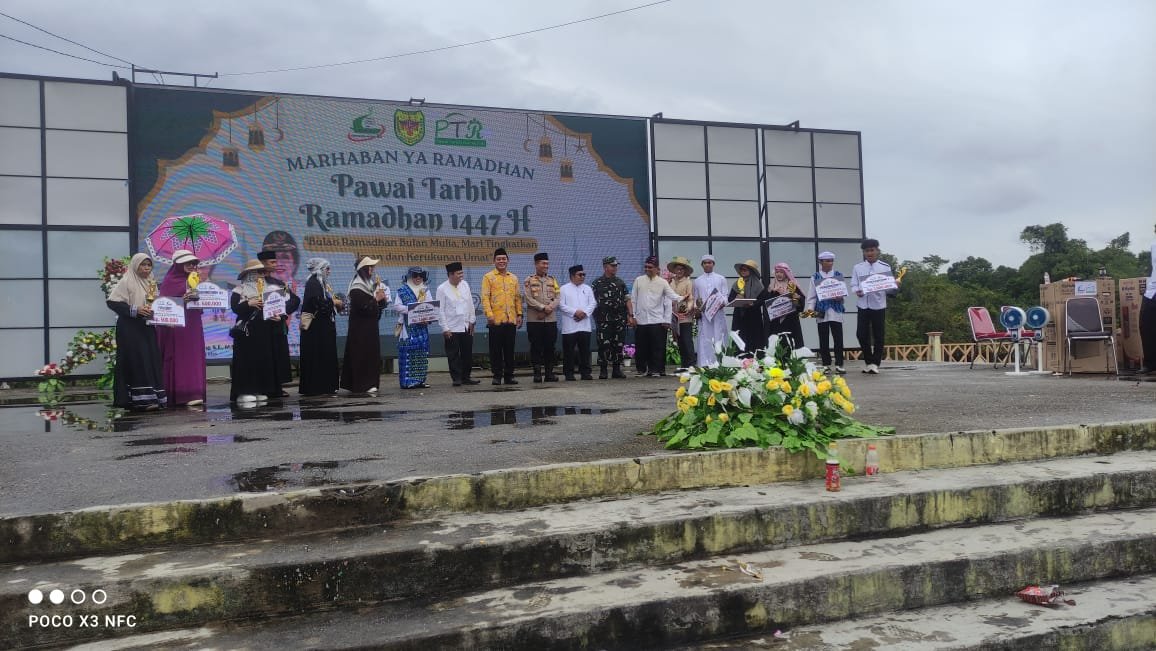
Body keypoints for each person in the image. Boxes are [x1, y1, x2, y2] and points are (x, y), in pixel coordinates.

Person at [106, 253, 167, 410]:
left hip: (147, 327)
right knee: (136, 360)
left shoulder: (151, 283)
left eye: (149, 265)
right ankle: (139, 400)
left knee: (149, 359)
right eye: (143, 265)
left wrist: (166, 317)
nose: (146, 268)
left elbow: (157, 305)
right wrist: (135, 309)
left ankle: (151, 397)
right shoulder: (127, 281)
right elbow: (113, 302)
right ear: (135, 265)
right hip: (129, 328)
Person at [155, 249, 206, 407]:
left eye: (193, 263)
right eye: (187, 263)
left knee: (194, 355)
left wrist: (199, 295)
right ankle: (182, 393)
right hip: (177, 327)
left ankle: (195, 392)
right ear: (177, 264)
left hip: (193, 323)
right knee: (181, 357)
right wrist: (182, 299)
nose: (191, 265)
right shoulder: (170, 281)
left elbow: (201, 305)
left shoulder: (195, 280)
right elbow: (165, 305)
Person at [229, 259, 280, 405]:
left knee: (262, 359)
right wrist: (248, 303)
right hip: (247, 333)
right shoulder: (239, 289)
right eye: (259, 272)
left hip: (264, 331)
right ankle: (244, 391)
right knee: (246, 361)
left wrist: (277, 317)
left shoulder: (269, 290)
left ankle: (259, 389)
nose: (262, 275)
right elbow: (235, 308)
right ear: (250, 273)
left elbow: (276, 308)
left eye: (263, 272)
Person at [851, 238, 900, 374]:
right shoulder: (858, 267)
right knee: (861, 334)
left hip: (879, 305)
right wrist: (857, 291)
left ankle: (875, 363)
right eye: (867, 251)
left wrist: (895, 285)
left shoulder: (885, 267)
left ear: (877, 251)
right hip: (863, 305)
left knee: (879, 335)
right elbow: (853, 284)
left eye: (872, 250)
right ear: (864, 253)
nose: (869, 253)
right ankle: (869, 361)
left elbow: (889, 288)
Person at [341, 256, 388, 394]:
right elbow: (363, 307)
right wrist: (376, 299)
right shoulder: (357, 287)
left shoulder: (369, 285)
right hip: (360, 329)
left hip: (369, 327)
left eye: (373, 267)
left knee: (370, 354)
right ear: (363, 269)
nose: (372, 270)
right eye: (369, 267)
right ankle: (362, 385)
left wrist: (382, 300)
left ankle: (370, 383)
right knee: (361, 354)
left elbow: (376, 307)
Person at [632, 255, 683, 377]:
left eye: (650, 267)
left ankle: (656, 370)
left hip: (657, 320)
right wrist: (633, 316)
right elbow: (633, 299)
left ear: (656, 269)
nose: (647, 269)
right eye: (646, 267)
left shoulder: (662, 282)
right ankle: (642, 370)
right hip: (641, 319)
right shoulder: (639, 280)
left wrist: (684, 298)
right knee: (642, 347)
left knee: (657, 347)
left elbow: (671, 297)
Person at [258, 250, 300, 396]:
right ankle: (264, 386)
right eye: (272, 262)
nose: (276, 264)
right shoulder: (255, 283)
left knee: (278, 355)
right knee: (265, 356)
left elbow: (295, 300)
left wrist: (282, 311)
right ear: (262, 263)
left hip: (277, 325)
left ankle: (277, 386)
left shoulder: (279, 283)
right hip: (262, 327)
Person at [298, 258, 342, 396]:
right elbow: (319, 304)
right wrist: (333, 302)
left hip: (322, 329)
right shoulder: (313, 283)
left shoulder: (320, 283)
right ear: (320, 269)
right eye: (327, 269)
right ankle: (318, 387)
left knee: (323, 356)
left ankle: (325, 386)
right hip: (316, 330)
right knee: (317, 357)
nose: (329, 271)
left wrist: (334, 303)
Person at [481, 248, 522, 385]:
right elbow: (485, 298)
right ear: (494, 261)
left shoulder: (513, 278)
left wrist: (519, 314)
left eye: (504, 259)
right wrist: (489, 315)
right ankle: (497, 376)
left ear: (508, 260)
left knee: (510, 349)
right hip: (495, 321)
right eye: (498, 259)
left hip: (511, 320)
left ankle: (509, 376)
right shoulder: (488, 277)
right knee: (496, 350)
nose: (501, 261)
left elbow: (517, 298)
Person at [437, 261, 479, 386]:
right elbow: (440, 310)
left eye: (462, 273)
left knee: (467, 353)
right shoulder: (442, 288)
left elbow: (470, 303)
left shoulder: (464, 284)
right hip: (451, 327)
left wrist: (472, 321)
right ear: (451, 274)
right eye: (459, 273)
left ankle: (466, 377)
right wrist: (445, 328)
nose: (461, 276)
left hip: (466, 325)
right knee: (453, 354)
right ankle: (456, 378)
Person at [805, 251, 847, 374]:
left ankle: (839, 364)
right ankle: (826, 364)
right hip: (821, 311)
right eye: (827, 261)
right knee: (823, 339)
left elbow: (843, 294)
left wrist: (840, 297)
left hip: (836, 311)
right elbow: (811, 296)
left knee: (838, 339)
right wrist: (810, 310)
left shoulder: (838, 275)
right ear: (820, 262)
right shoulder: (815, 277)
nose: (829, 263)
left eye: (831, 261)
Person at [592, 256, 633, 379]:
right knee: (603, 345)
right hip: (603, 320)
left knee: (618, 344)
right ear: (605, 267)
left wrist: (630, 315)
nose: (615, 268)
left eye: (616, 266)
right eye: (613, 265)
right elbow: (591, 302)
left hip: (619, 319)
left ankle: (616, 369)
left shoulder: (620, 282)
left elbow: (627, 300)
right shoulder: (597, 283)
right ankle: (603, 370)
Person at [394, 267, 433, 389]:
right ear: (410, 277)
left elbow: (431, 305)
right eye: (415, 275)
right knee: (408, 353)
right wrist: (412, 309)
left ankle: (420, 380)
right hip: (408, 327)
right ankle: (407, 382)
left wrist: (428, 317)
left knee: (421, 353)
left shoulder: (425, 290)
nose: (418, 278)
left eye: (421, 276)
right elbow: (397, 306)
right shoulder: (402, 290)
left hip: (422, 327)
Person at [524, 252, 560, 383]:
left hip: (550, 320)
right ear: (536, 264)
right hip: (535, 321)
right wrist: (543, 308)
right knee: (536, 347)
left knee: (550, 347)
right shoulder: (529, 280)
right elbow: (528, 298)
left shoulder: (552, 280)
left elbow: (558, 297)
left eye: (547, 263)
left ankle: (549, 374)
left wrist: (549, 308)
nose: (546, 266)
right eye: (543, 263)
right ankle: (537, 374)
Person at [559, 264, 597, 380]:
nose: (582, 277)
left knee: (585, 350)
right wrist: (575, 312)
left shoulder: (587, 288)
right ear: (572, 276)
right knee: (569, 351)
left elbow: (593, 303)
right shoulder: (564, 289)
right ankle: (569, 373)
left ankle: (585, 372)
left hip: (584, 325)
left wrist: (584, 313)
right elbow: (561, 305)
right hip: (570, 326)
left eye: (584, 274)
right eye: (580, 275)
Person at [693, 254, 729, 367]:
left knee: (718, 336)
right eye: (705, 263)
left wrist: (722, 303)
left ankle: (719, 362)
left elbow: (725, 296)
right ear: (702, 265)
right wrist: (697, 308)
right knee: (705, 338)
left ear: (713, 264)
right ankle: (704, 363)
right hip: (704, 316)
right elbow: (696, 298)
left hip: (718, 314)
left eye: (709, 262)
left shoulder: (721, 278)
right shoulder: (697, 281)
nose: (707, 265)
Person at [761, 262, 805, 351]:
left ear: (786, 273)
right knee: (775, 345)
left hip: (790, 321)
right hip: (775, 323)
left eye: (781, 272)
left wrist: (795, 297)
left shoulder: (793, 286)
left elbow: (800, 305)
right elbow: (766, 304)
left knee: (791, 344)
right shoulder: (772, 286)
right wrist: (774, 293)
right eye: (777, 272)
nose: (779, 274)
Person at [729, 259, 766, 354]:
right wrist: (736, 298)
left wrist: (753, 304)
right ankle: (739, 358)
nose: (743, 271)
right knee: (739, 337)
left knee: (755, 338)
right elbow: (730, 298)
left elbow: (762, 299)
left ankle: (755, 359)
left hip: (754, 316)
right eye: (742, 270)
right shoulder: (737, 283)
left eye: (745, 269)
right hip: (739, 316)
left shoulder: (758, 284)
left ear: (751, 271)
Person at [667, 256, 695, 371]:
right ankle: (684, 365)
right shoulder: (671, 282)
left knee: (687, 340)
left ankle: (691, 365)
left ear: (685, 271)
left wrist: (688, 309)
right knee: (680, 341)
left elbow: (691, 298)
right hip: (674, 315)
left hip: (684, 316)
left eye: (681, 269)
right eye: (677, 269)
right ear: (674, 270)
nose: (679, 271)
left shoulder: (688, 282)